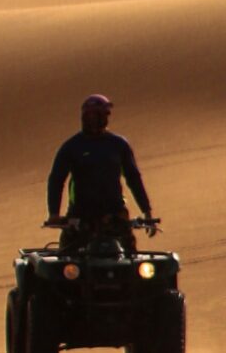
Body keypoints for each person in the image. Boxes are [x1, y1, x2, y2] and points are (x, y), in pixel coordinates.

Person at [46, 93, 154, 252]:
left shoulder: (118, 145)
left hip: (115, 214)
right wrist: (54, 213)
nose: (104, 118)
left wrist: (146, 211)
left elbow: (133, 178)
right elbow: (56, 180)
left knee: (131, 260)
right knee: (65, 262)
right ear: (87, 116)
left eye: (106, 115)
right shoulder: (72, 147)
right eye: (101, 114)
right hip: (80, 216)